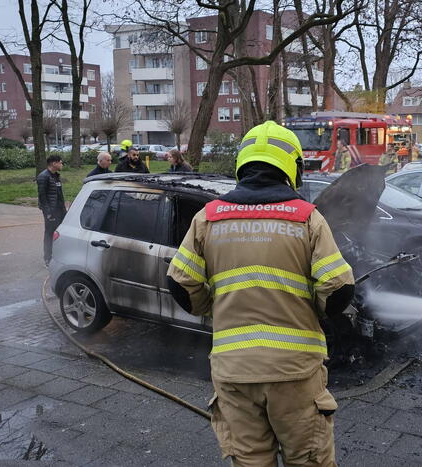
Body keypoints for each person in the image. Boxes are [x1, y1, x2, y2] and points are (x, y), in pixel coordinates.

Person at [167, 121, 355, 466]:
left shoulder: (208, 218)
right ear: (293, 167)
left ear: (243, 163)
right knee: (308, 460)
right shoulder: (307, 219)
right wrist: (313, 308)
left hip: (234, 371)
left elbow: (180, 283)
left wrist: (213, 305)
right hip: (295, 372)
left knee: (250, 460)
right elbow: (339, 288)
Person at [36, 155, 67, 267]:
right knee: (49, 234)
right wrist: (48, 213)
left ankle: (59, 254)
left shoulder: (56, 176)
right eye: (60, 162)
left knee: (61, 233)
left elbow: (59, 195)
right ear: (54, 163)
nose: (62, 165)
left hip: (60, 210)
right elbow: (42, 197)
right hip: (51, 212)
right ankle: (48, 258)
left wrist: (64, 210)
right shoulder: (43, 176)